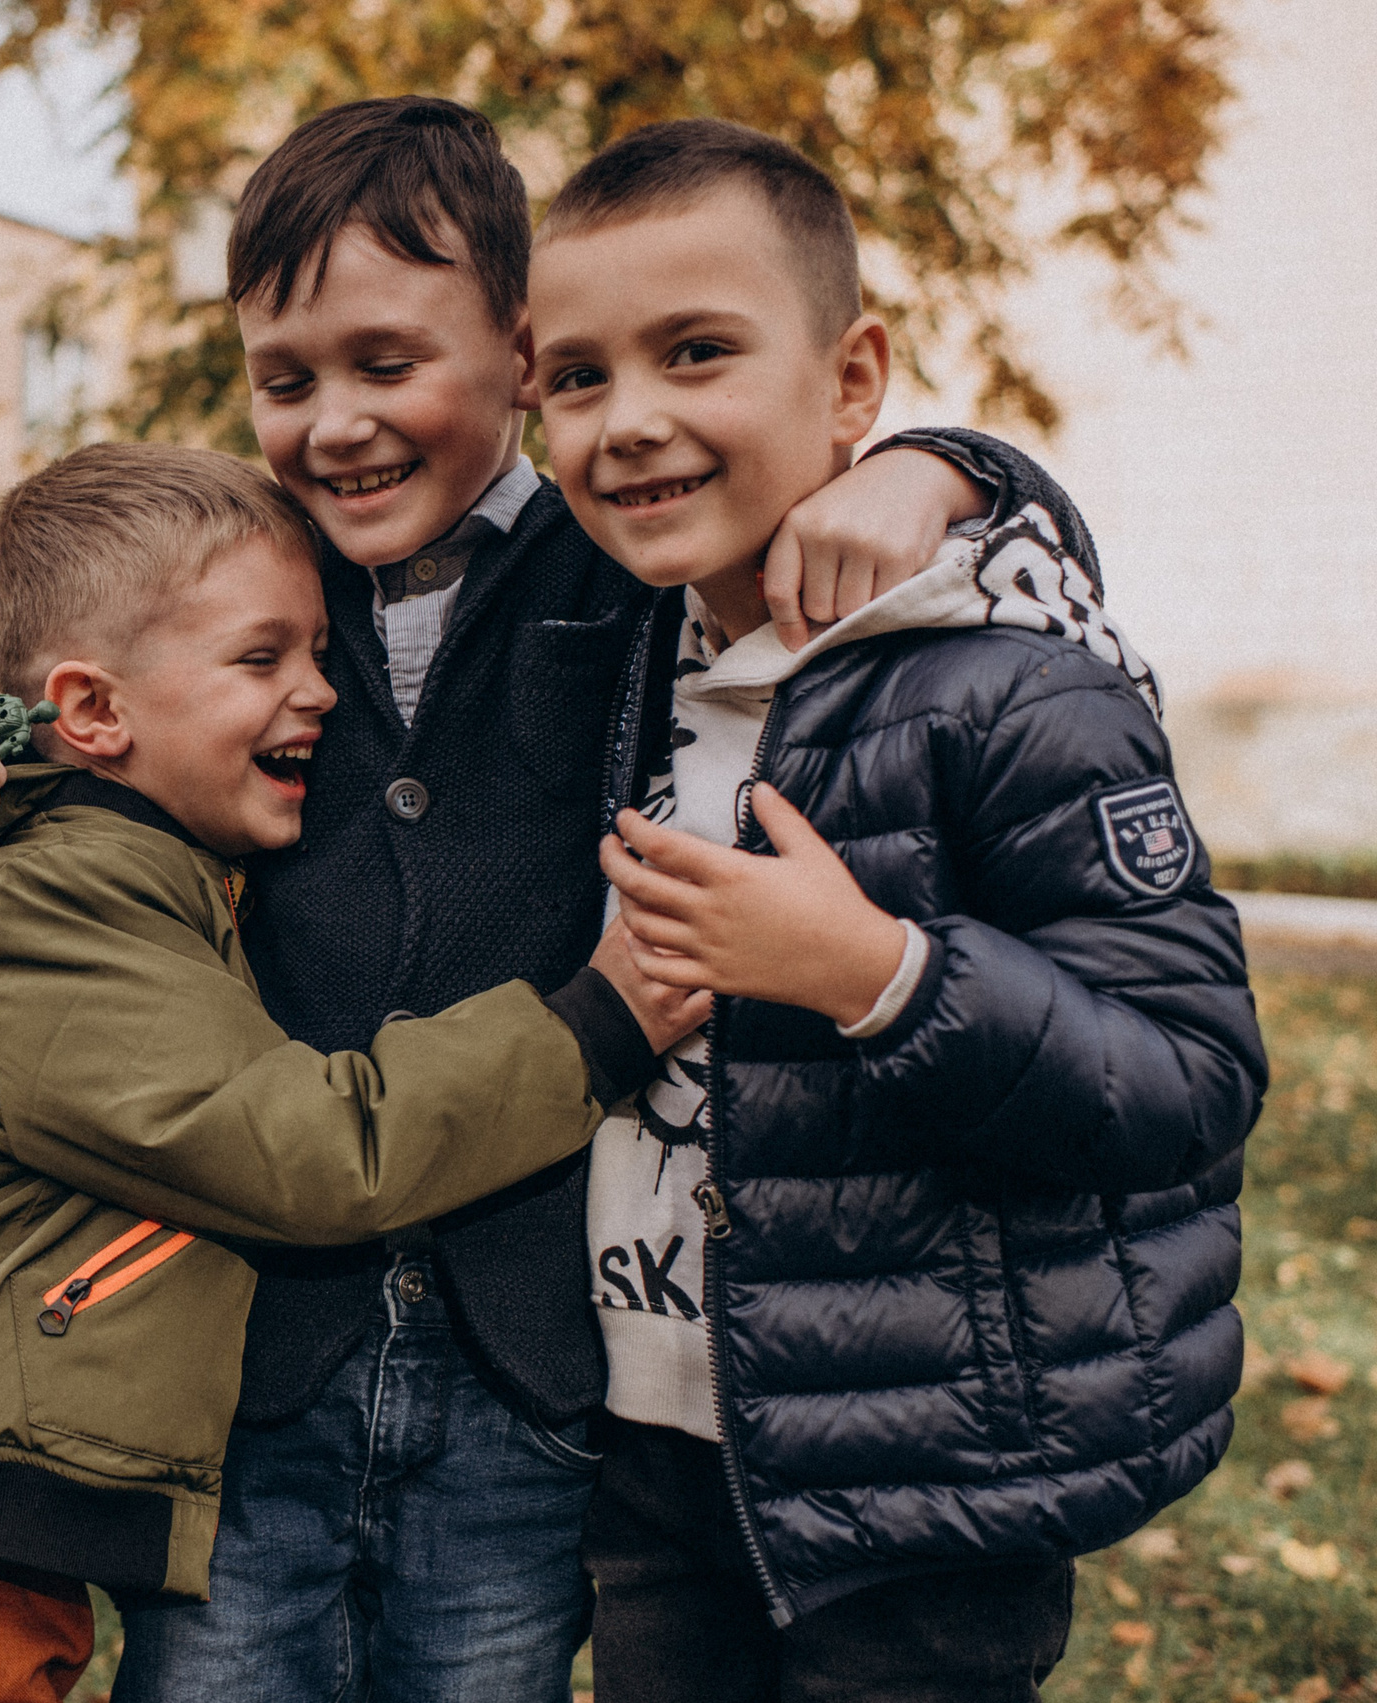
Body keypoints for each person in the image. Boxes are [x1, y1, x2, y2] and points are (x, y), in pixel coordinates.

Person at [0, 97, 1110, 1700]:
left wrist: (946, 468)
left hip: (531, 1349)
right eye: (285, 381)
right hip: (249, 1352)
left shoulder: (619, 557)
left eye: (384, 363)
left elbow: (884, 519)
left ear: (519, 350)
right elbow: (59, 666)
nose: (333, 423)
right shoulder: (249, 571)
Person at [0, 442, 702, 1703]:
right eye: (261, 658)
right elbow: (301, 1148)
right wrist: (592, 1027)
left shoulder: (110, 860)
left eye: (319, 653)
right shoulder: (61, 899)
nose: (321, 692)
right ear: (95, 710)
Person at [522, 117, 1266, 1702]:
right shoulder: (614, 654)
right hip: (654, 1451)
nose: (629, 420)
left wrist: (874, 972)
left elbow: (1187, 1078)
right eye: (575, 377)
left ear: (855, 383)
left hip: (924, 1478)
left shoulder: (1004, 685)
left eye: (697, 350)